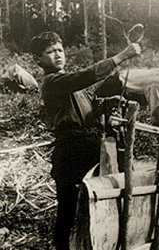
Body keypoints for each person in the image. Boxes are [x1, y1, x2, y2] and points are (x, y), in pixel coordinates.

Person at [31, 31, 141, 250]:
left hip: (88, 145)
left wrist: (106, 103)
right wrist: (120, 57)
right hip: (70, 149)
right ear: (38, 60)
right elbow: (86, 76)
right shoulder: (53, 82)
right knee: (68, 207)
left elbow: (90, 106)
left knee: (95, 197)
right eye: (50, 52)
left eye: (60, 50)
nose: (57, 55)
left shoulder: (72, 85)